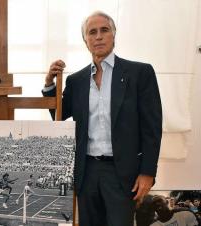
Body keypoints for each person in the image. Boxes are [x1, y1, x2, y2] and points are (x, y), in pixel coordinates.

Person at [42, 11, 162, 226]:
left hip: (122, 173)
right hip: (86, 172)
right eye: (92, 32)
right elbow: (59, 117)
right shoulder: (76, 80)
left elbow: (152, 128)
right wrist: (50, 84)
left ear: (114, 36)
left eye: (104, 30)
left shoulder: (139, 73)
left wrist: (147, 172)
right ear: (85, 41)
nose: (98, 36)